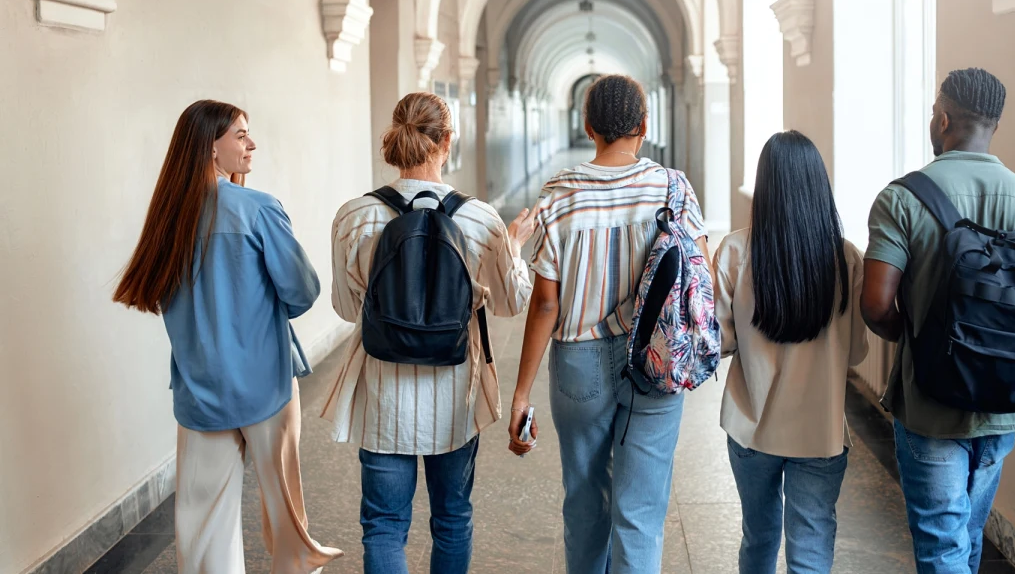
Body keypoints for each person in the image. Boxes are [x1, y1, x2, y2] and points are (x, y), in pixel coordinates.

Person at [860, 68, 1015, 574]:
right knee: (965, 541)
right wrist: (1002, 343)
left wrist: (921, 336)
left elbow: (875, 306)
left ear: (942, 120)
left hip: (930, 405)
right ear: (995, 126)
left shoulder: (903, 198)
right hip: (1005, 404)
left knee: (942, 550)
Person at [113, 100, 342, 574]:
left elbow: (159, 297)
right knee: (286, 521)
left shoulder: (167, 220)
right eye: (240, 135)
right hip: (266, 386)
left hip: (199, 391)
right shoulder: (257, 208)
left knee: (203, 529)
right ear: (210, 148)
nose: (251, 143)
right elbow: (302, 292)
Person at [321, 92, 535, 574]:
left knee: (383, 526)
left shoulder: (355, 216)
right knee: (453, 519)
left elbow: (344, 305)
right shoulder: (481, 219)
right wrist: (514, 248)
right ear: (447, 141)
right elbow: (510, 302)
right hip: (456, 394)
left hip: (381, 394)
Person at [507, 74, 710, 574]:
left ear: (587, 125)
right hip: (656, 357)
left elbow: (546, 305)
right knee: (639, 513)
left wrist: (521, 393)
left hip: (578, 365)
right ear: (644, 125)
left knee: (583, 502)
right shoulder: (673, 187)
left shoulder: (559, 194)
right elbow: (700, 277)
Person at [713, 130, 868, 574]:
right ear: (818, 184)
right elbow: (855, 353)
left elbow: (720, 342)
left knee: (758, 536)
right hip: (819, 433)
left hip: (750, 427)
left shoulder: (735, 251)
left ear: (764, 187)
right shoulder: (846, 258)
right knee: (812, 543)